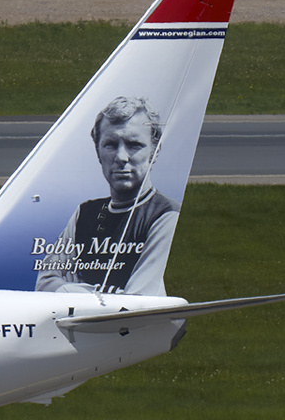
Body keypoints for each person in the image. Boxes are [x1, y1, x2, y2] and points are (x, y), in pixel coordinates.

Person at [35, 96, 179, 295]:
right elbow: (44, 284)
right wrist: (102, 294)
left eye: (134, 145)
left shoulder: (166, 215)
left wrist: (70, 290)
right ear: (97, 152)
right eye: (110, 145)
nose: (121, 157)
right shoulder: (84, 213)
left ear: (155, 152)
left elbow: (134, 303)